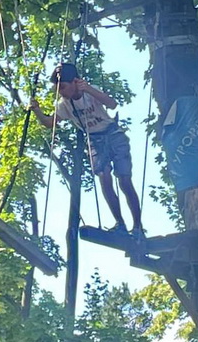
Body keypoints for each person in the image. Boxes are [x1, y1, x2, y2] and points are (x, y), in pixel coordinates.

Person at [30, 63, 143, 238]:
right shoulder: (64, 105)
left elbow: (112, 104)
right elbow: (49, 123)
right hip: (95, 140)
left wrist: (89, 89)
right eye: (58, 89)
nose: (61, 92)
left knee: (124, 180)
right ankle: (120, 223)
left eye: (64, 87)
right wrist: (37, 110)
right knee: (104, 178)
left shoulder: (90, 93)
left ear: (75, 82)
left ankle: (137, 226)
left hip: (113, 134)